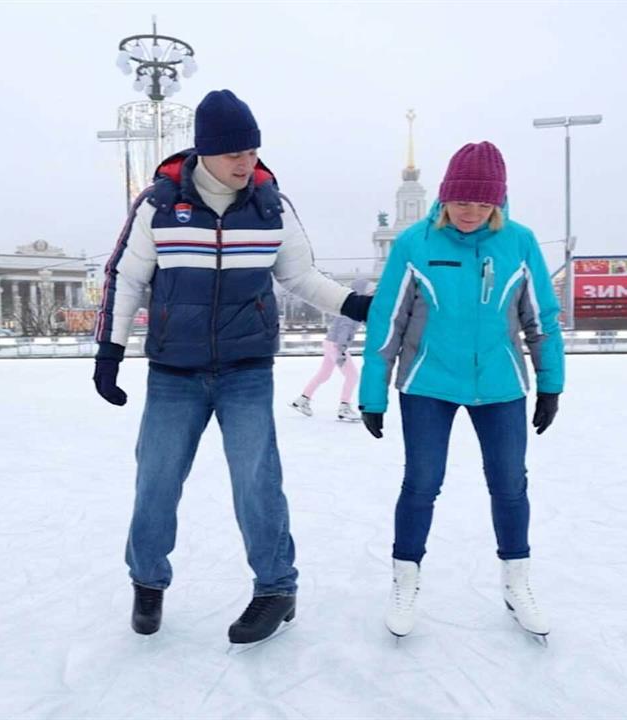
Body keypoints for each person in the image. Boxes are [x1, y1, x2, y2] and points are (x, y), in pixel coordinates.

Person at [92, 89, 373, 645]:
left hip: (246, 370)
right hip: (175, 372)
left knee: (257, 482)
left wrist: (355, 305)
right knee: (156, 481)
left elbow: (300, 276)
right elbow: (124, 276)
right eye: (234, 154)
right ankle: (147, 581)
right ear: (204, 153)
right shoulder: (159, 204)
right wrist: (110, 350)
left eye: (253, 150)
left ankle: (276, 588)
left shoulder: (271, 206)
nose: (248, 163)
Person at [359, 141, 564, 638]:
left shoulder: (519, 242)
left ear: (497, 202)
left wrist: (550, 383)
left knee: (510, 484)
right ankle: (405, 580)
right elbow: (388, 318)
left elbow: (542, 319)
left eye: (482, 202)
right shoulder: (416, 243)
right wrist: (374, 391)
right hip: (428, 382)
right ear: (445, 197)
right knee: (422, 482)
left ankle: (517, 581)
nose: (471, 212)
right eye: (462, 200)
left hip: (500, 385)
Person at [290, 278, 370, 422]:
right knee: (352, 376)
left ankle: (302, 400)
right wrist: (341, 350)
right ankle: (344, 407)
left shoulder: (349, 304)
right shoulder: (355, 308)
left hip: (330, 342)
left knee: (324, 374)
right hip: (336, 345)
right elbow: (345, 329)